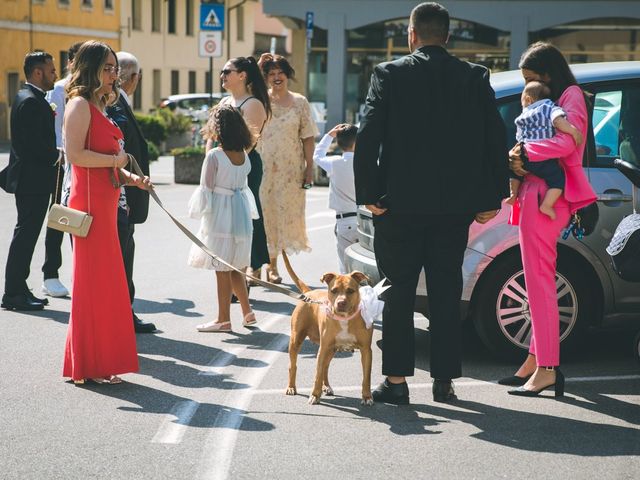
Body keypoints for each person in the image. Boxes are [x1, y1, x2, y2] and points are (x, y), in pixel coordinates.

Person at [353, 2, 509, 405]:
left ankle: (398, 382)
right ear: (448, 36)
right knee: (445, 291)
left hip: (398, 205)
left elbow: (368, 135)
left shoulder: (389, 74)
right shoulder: (473, 76)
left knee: (399, 293)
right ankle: (444, 381)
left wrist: (369, 194)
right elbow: (495, 136)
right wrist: (493, 196)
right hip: (453, 208)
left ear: (411, 34)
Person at [501, 42, 597, 397]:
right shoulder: (559, 98)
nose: (527, 86)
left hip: (546, 196)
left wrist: (523, 152)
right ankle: (535, 360)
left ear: (548, 74)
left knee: (540, 284)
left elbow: (568, 142)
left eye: (531, 78)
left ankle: (547, 369)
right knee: (536, 282)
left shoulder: (570, 95)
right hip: (537, 193)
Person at [62, 41, 151, 384]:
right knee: (92, 286)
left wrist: (133, 179)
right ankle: (88, 363)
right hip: (88, 206)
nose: (115, 74)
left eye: (116, 68)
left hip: (108, 201)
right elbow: (76, 156)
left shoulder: (100, 105)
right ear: (90, 68)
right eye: (108, 68)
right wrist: (117, 162)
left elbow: (107, 164)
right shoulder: (79, 105)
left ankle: (94, 361)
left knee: (107, 286)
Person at [188, 105, 258, 333]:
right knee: (237, 265)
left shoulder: (215, 155)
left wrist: (200, 214)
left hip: (221, 214)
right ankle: (247, 312)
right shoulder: (244, 156)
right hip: (240, 212)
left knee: (221, 267)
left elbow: (205, 189)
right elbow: (244, 187)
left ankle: (223, 319)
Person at [0, 51, 59, 311]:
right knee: (25, 236)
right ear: (38, 72)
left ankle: (19, 288)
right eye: (52, 70)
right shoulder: (31, 101)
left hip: (32, 180)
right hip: (32, 181)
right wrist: (60, 156)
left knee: (26, 235)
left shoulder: (30, 97)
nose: (55, 75)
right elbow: (36, 147)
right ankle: (13, 293)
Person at [106, 51, 157, 334]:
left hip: (126, 189)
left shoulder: (118, 103)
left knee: (126, 252)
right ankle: (123, 313)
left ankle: (125, 311)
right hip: (119, 194)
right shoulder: (113, 107)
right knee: (121, 255)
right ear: (134, 78)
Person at [257, 53, 319, 283]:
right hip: (262, 168)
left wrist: (309, 167)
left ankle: (273, 267)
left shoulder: (300, 102)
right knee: (262, 216)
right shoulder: (260, 100)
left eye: (280, 72)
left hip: (291, 170)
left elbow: (308, 137)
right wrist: (258, 64)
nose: (276, 77)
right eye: (271, 73)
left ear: (287, 75)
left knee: (282, 217)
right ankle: (257, 265)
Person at [216, 57, 271, 285]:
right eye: (222, 71)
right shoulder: (224, 102)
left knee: (246, 218)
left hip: (244, 167)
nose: (223, 75)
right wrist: (212, 160)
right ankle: (233, 275)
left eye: (227, 71)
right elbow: (212, 136)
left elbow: (248, 144)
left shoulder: (253, 105)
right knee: (226, 222)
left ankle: (250, 267)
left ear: (243, 75)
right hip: (222, 165)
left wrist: (228, 166)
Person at [41, 42, 83, 298]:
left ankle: (78, 273)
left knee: (81, 221)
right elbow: (56, 128)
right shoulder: (60, 88)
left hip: (82, 163)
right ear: (71, 63)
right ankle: (50, 274)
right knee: (59, 217)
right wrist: (64, 157)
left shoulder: (89, 90)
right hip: (63, 163)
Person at [507, 80, 583, 220]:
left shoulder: (521, 117)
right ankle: (547, 204)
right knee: (558, 180)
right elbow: (558, 122)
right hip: (541, 158)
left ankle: (512, 194)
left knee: (514, 173)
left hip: (522, 158)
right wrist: (573, 131)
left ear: (528, 99)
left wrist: (519, 155)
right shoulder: (548, 107)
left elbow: (519, 138)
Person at [312, 123, 359, 273]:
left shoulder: (335, 163)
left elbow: (317, 156)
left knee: (345, 267)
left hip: (344, 221)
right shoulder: (367, 163)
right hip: (364, 221)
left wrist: (329, 136)